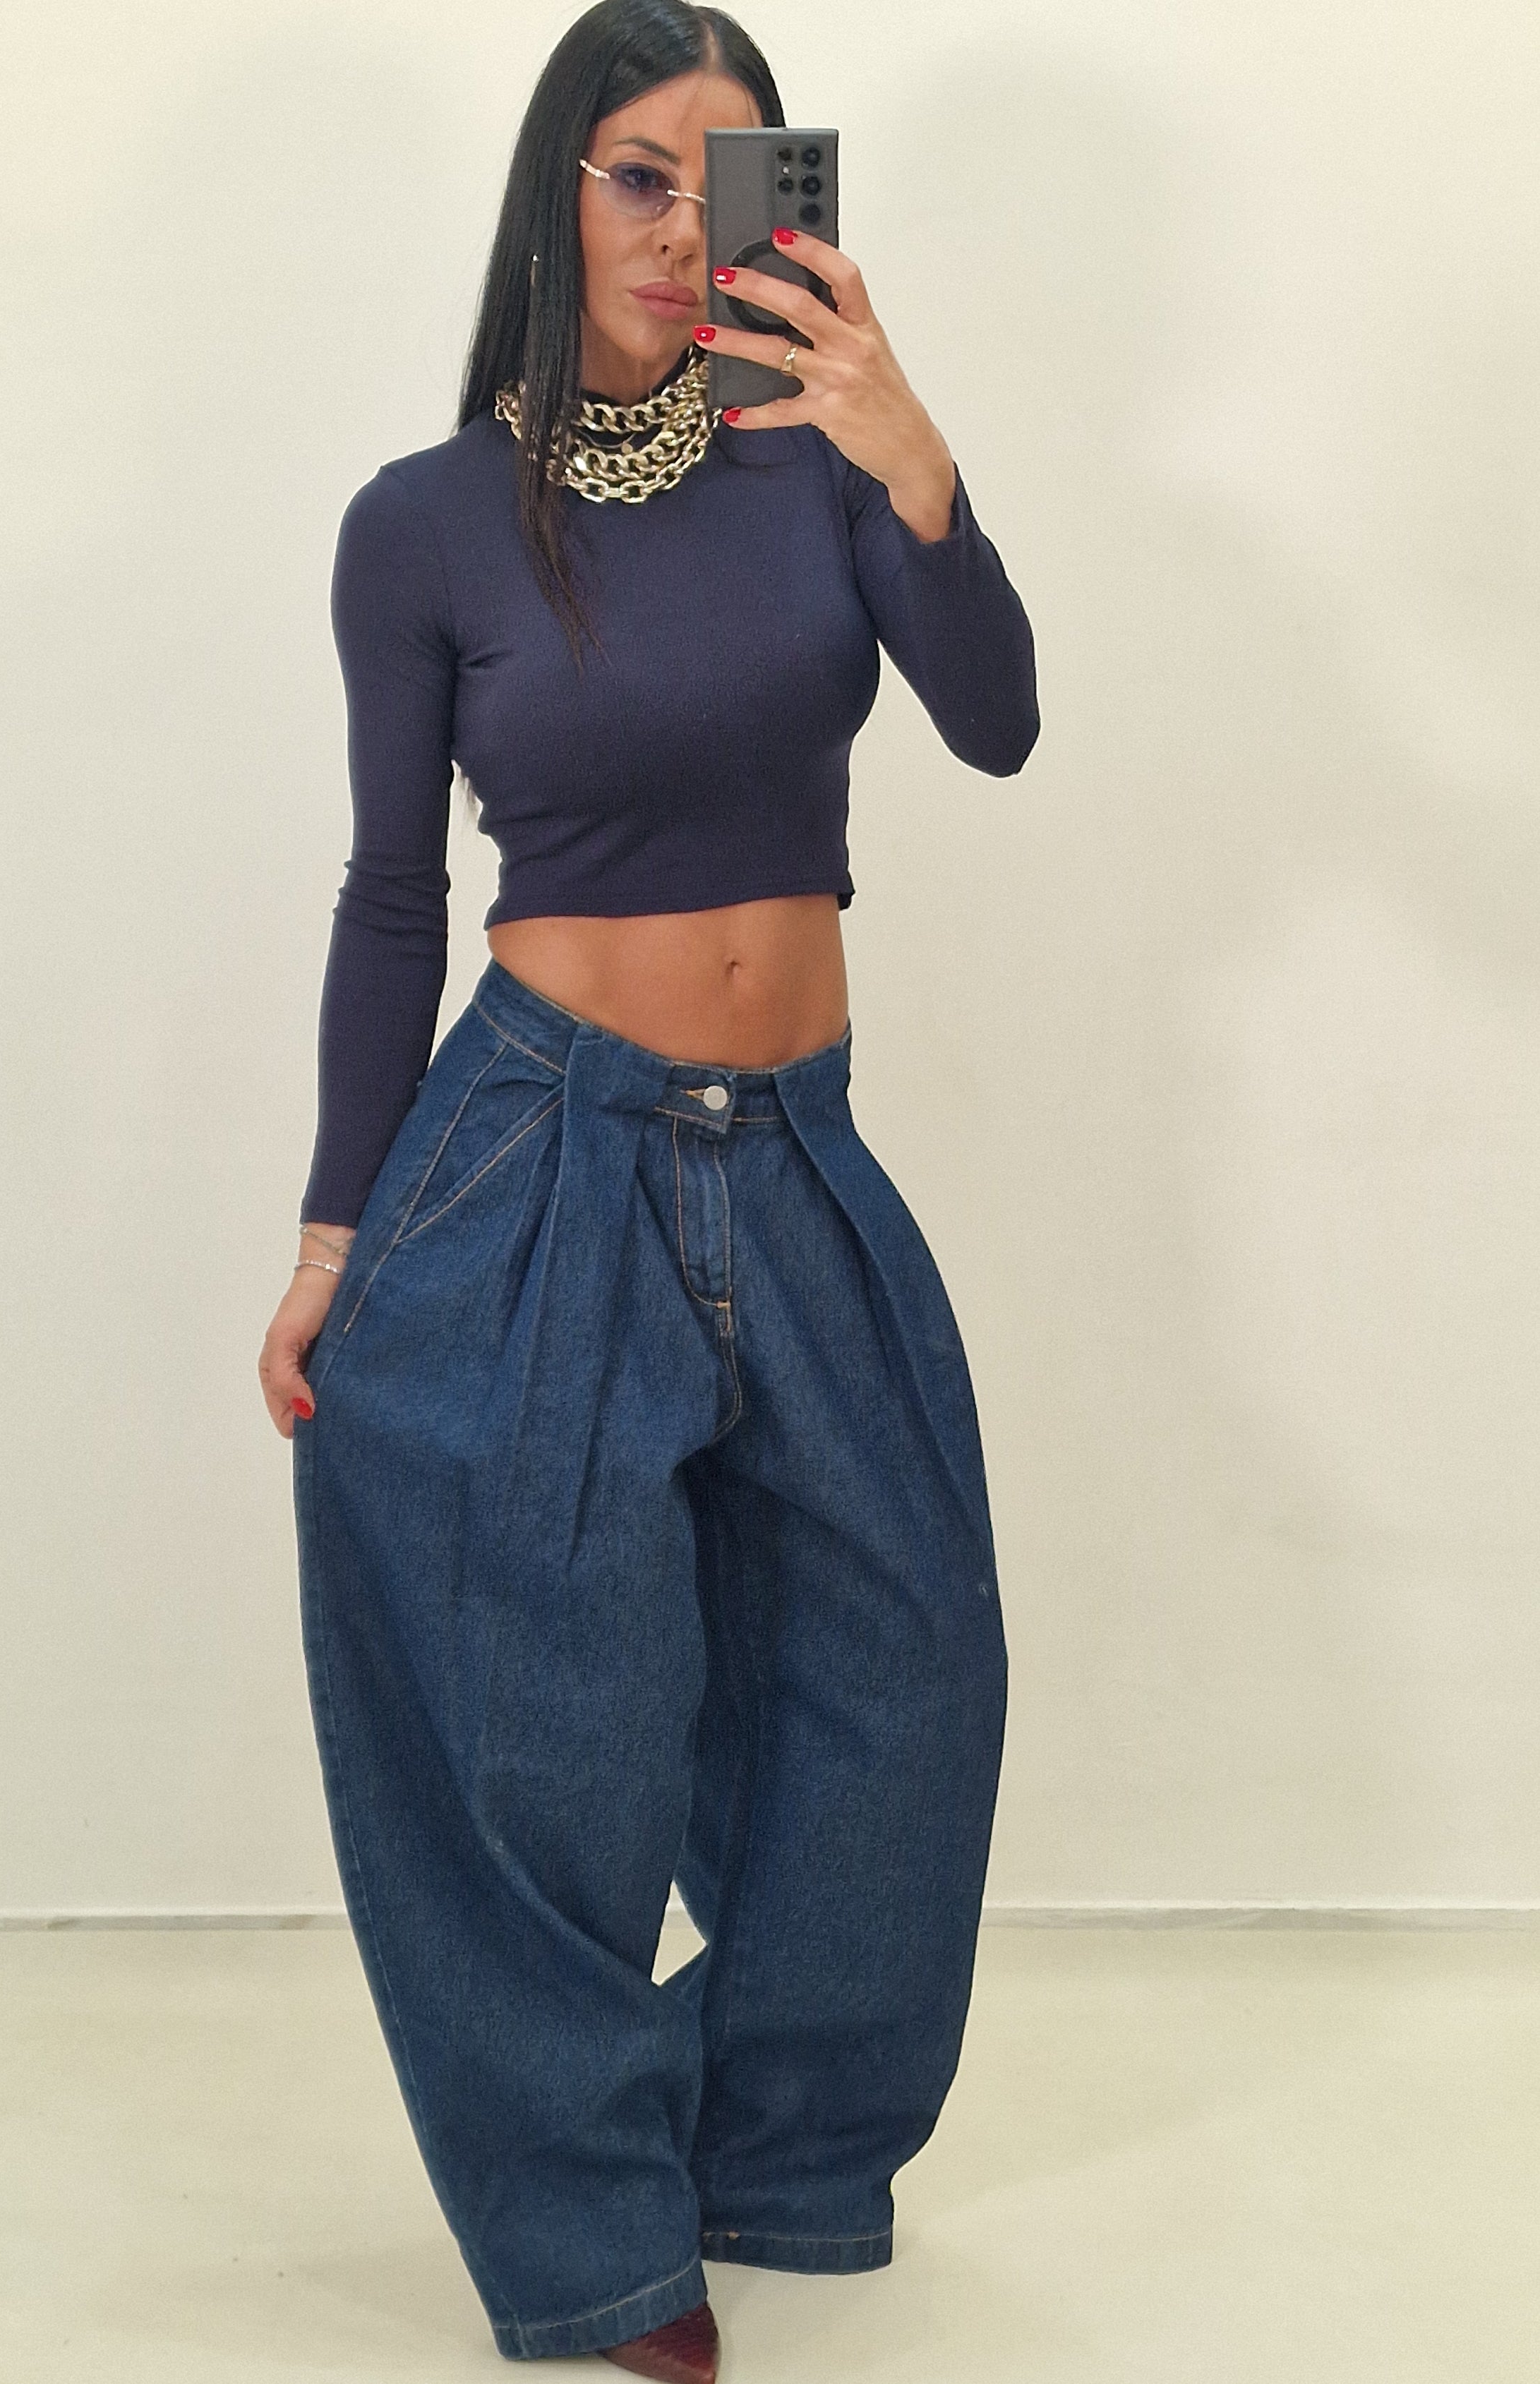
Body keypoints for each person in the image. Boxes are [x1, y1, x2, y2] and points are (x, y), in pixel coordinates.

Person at [257, 2, 1037, 2374]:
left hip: (795, 1151)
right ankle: (593, 2227)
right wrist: (331, 1229)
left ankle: (768, 2151)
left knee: (909, 1675)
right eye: (633, 177)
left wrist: (915, 461)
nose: (682, 230)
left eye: (727, 182)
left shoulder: (818, 462)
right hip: (540, 1146)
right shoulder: (424, 522)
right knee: (548, 1728)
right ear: (555, 194)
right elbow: (393, 895)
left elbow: (997, 720)